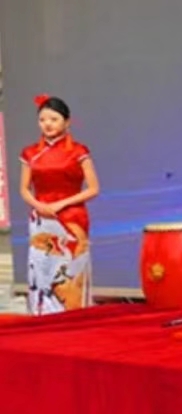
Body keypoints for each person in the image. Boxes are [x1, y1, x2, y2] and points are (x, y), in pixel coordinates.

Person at [19, 94, 100, 315]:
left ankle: (73, 315)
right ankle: (42, 314)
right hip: (41, 218)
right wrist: (38, 205)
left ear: (67, 121)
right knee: (41, 266)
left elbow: (93, 188)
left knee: (71, 269)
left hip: (72, 217)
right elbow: (24, 189)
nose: (48, 124)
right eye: (42, 119)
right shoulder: (30, 153)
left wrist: (61, 204)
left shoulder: (79, 151)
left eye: (54, 119)